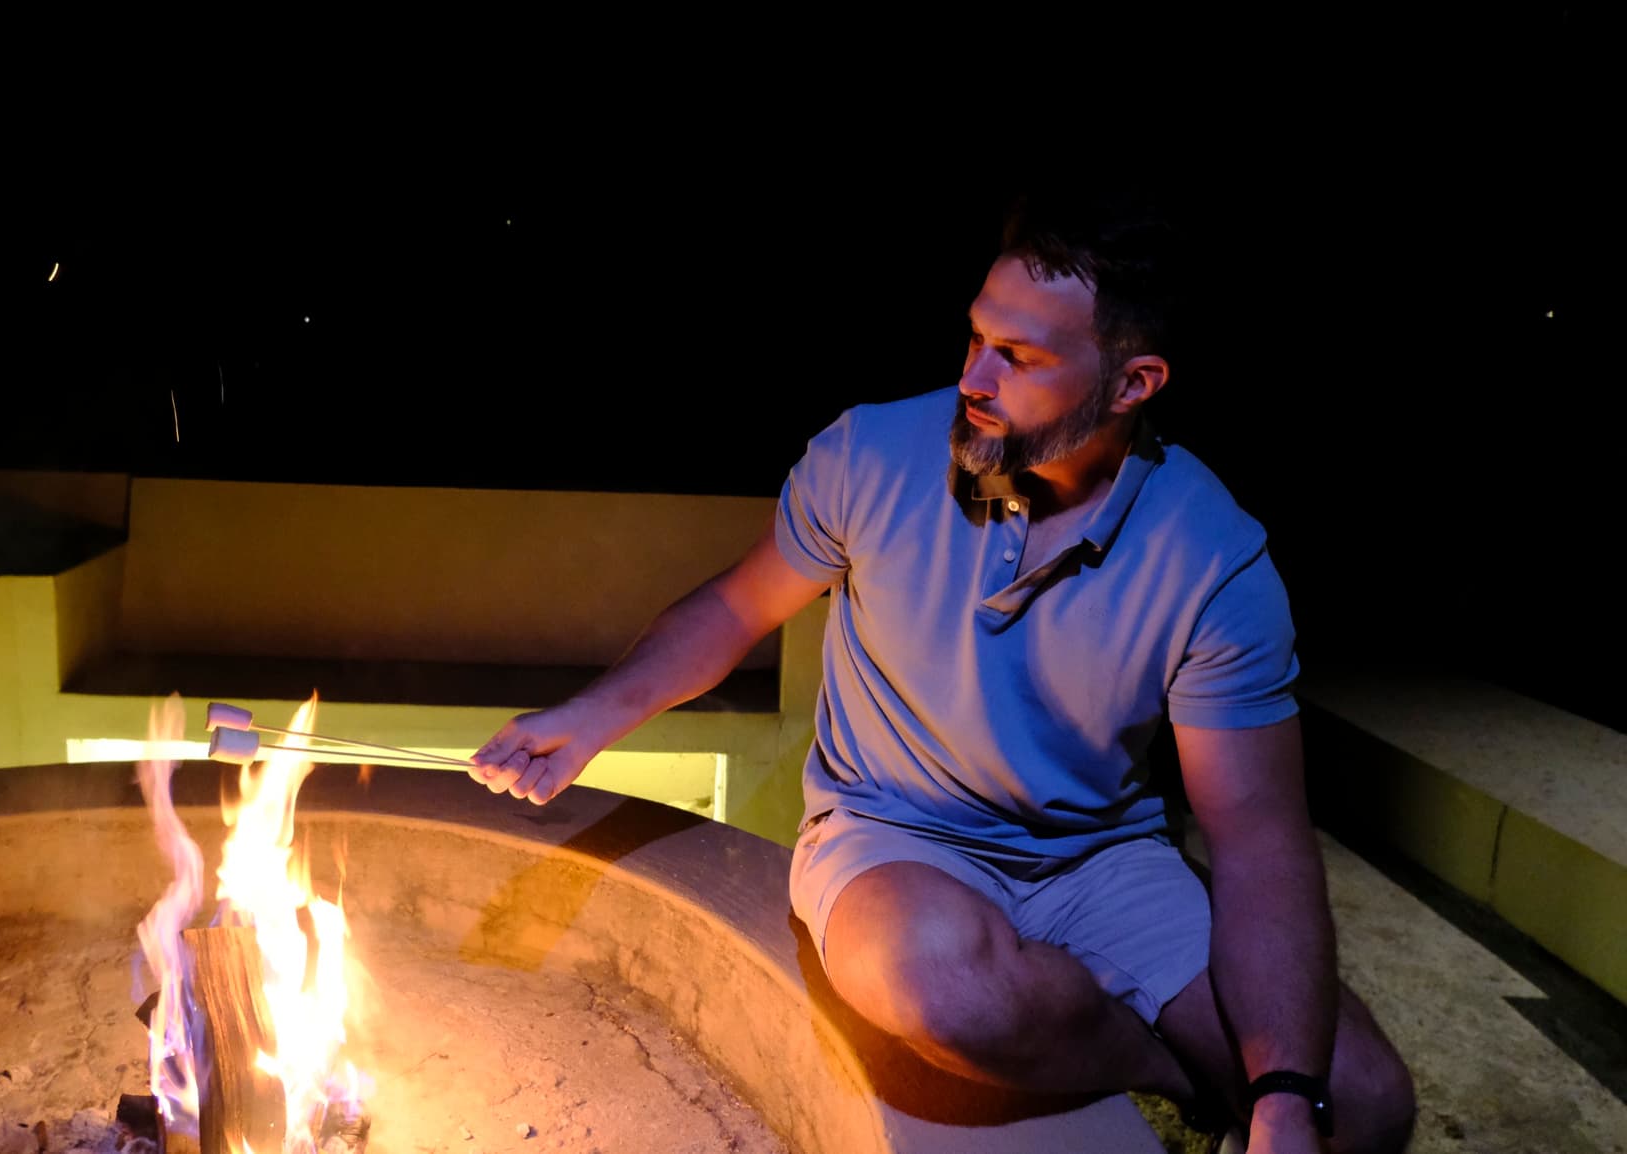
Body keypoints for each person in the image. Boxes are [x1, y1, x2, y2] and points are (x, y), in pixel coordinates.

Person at [468, 189, 1416, 1154]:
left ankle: (1198, 1075)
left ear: (1133, 385)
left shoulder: (1214, 559)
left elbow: (1257, 838)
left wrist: (1285, 1095)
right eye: (975, 337)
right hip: (893, 835)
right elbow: (734, 608)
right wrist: (590, 716)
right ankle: (1169, 1072)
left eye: (1020, 357)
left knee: (1365, 1103)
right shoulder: (871, 454)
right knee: (946, 985)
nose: (974, 377)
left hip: (1103, 862)